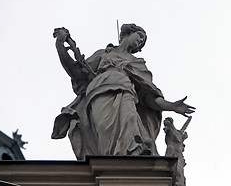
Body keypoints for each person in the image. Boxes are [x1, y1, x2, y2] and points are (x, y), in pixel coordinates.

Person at [52, 24, 194, 159]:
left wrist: (171, 106)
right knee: (103, 131)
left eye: (142, 41)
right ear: (128, 33)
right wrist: (60, 45)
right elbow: (77, 71)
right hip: (98, 94)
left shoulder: (138, 63)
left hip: (126, 92)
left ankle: (134, 153)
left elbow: (148, 96)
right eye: (139, 36)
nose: (140, 41)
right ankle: (110, 168)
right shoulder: (104, 54)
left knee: (131, 118)